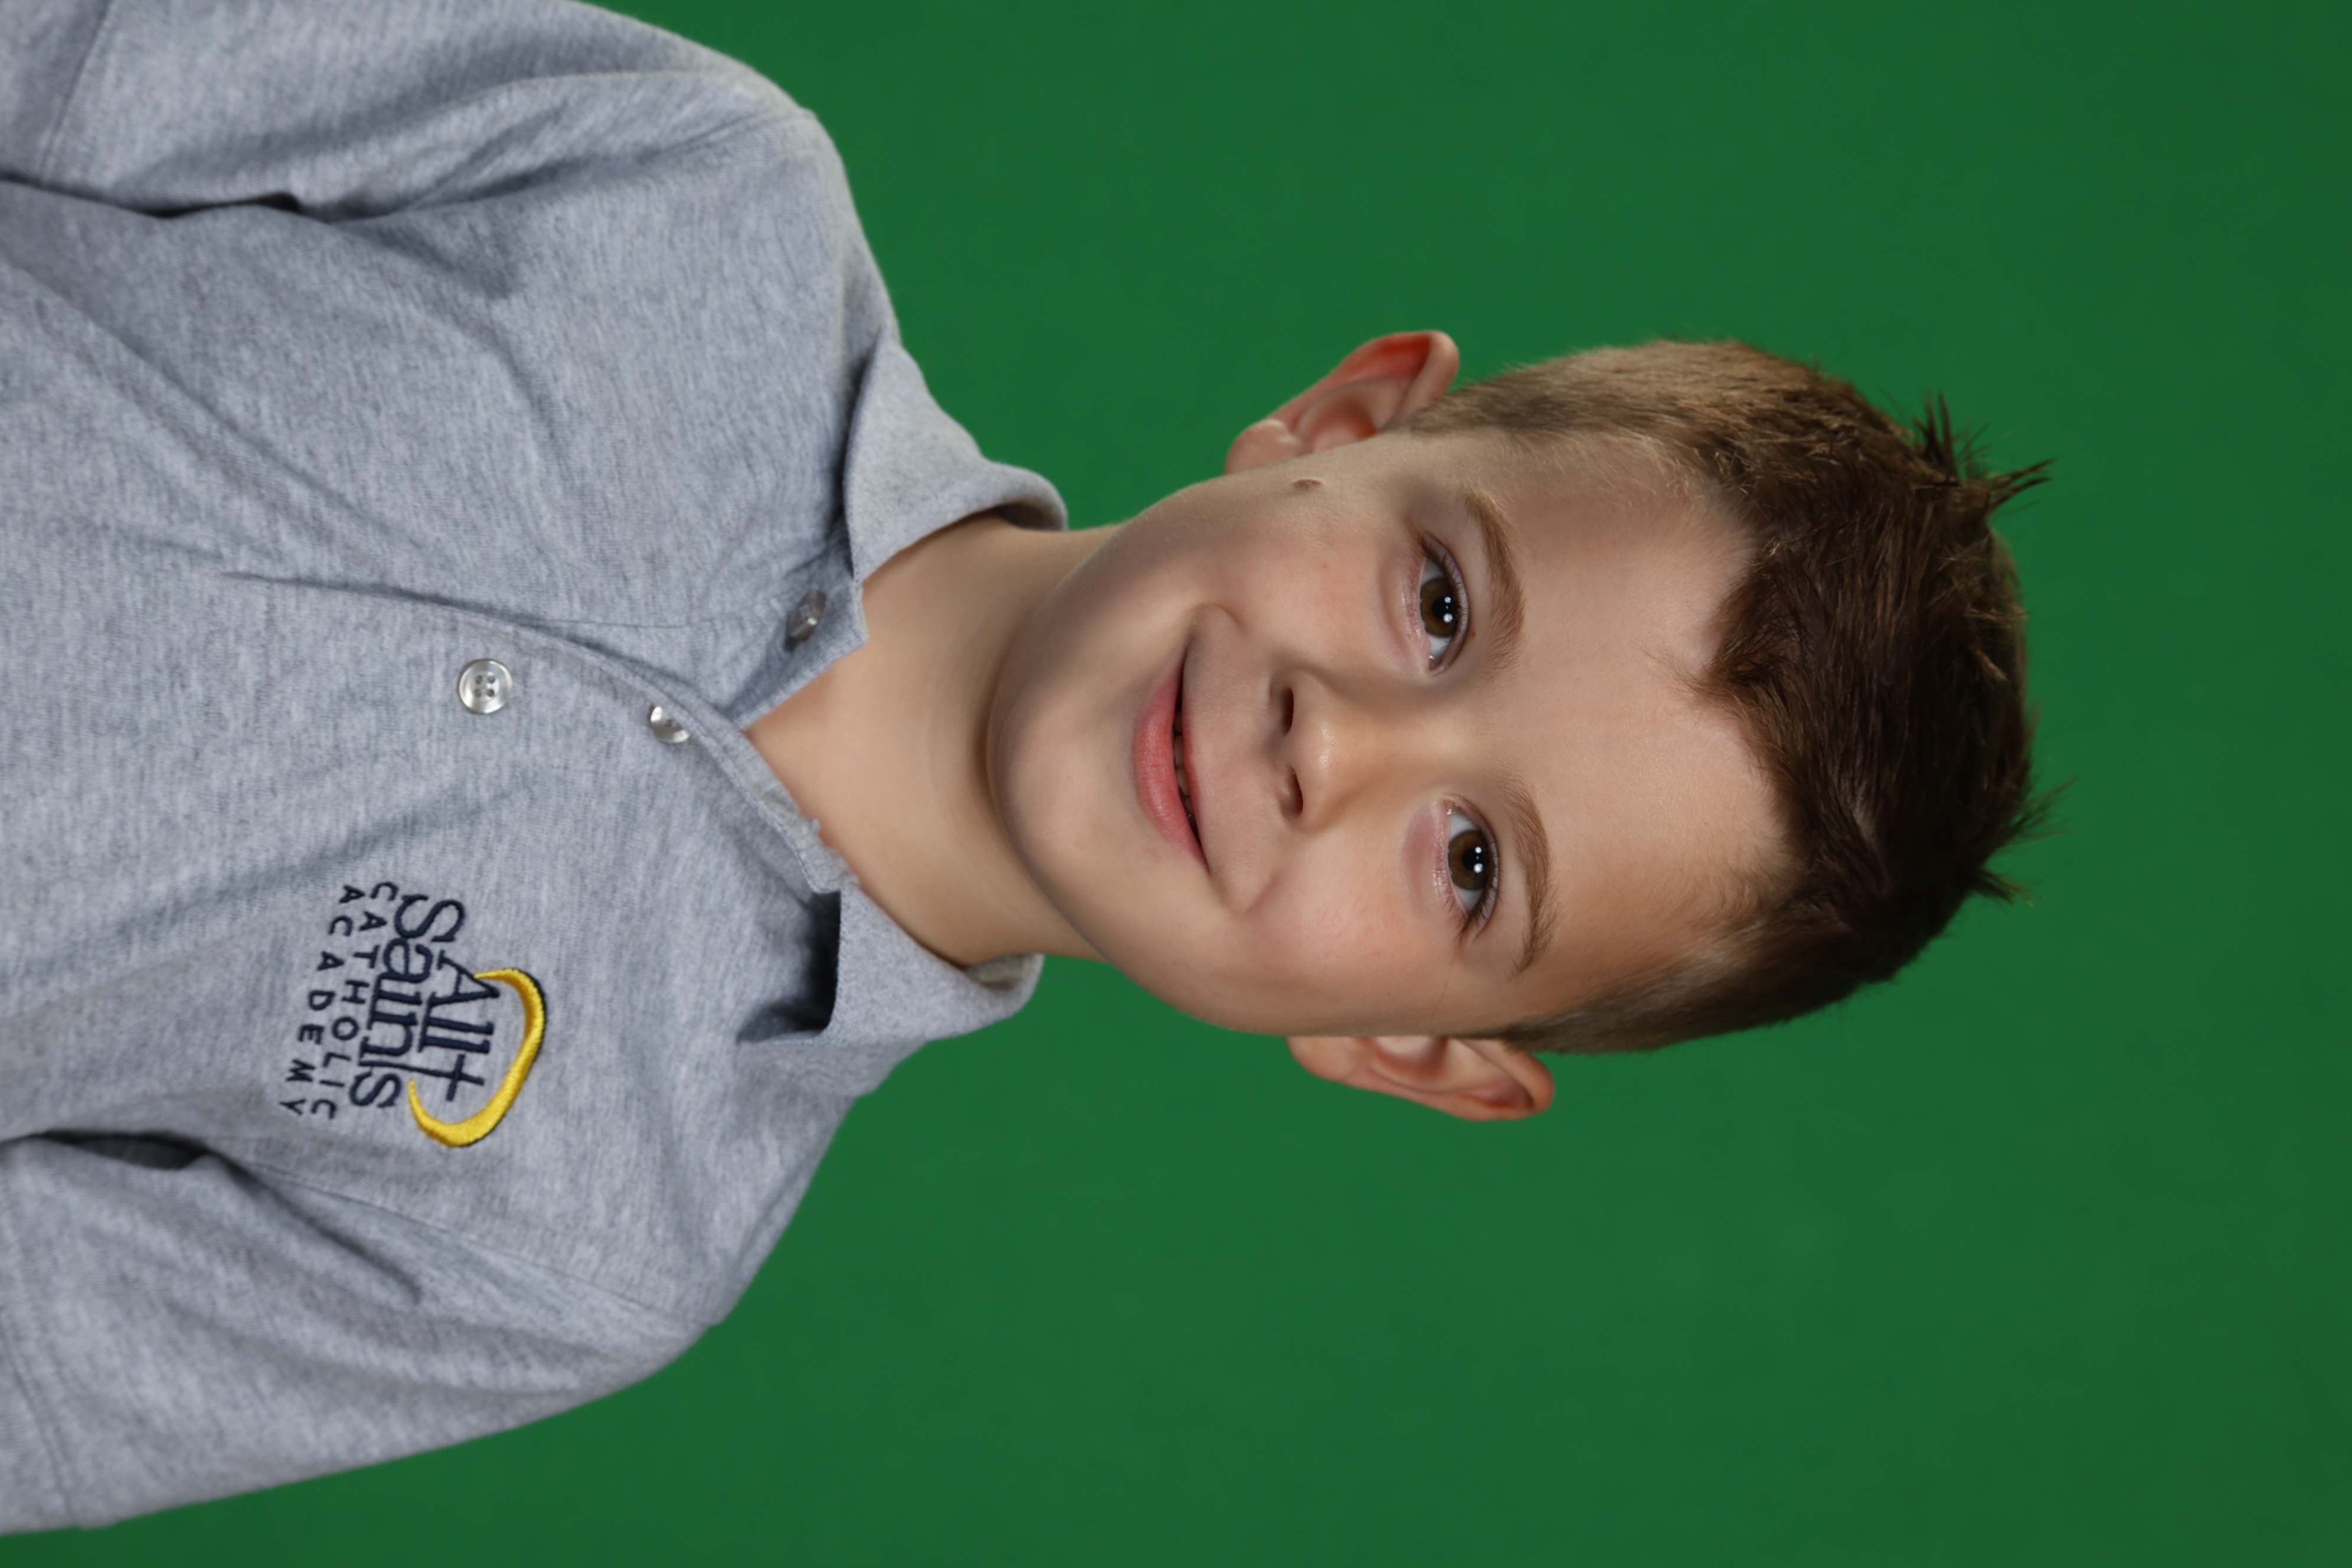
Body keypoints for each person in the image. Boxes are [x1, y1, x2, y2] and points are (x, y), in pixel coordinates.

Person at [0, 0, 2041, 1532]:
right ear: (1342, 425)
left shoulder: (593, 1247)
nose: (1338, 741)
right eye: (1440, 603)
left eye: (1473, 865)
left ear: (1412, 1048)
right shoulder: (695, 191)